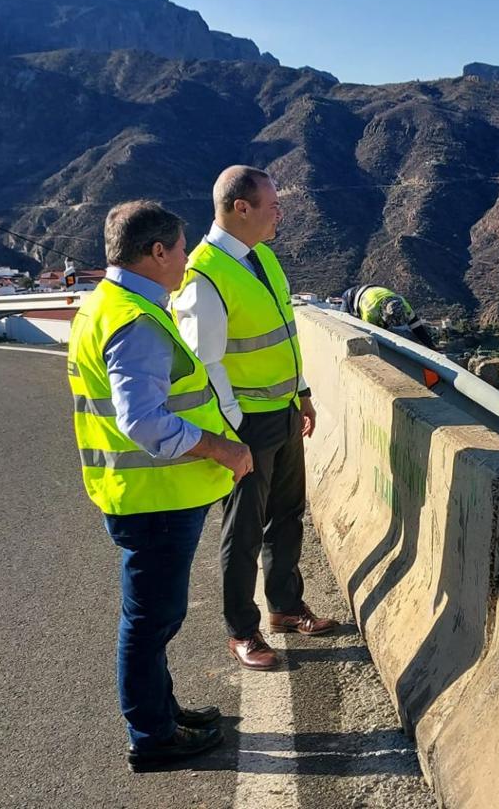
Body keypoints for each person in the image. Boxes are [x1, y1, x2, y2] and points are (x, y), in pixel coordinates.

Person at [67, 200, 253, 771]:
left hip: (143, 496)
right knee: (150, 621)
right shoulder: (135, 321)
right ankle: (152, 736)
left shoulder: (109, 303)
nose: (186, 259)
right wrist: (222, 448)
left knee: (155, 618)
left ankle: (162, 713)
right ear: (156, 252)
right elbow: (145, 422)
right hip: (156, 501)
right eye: (180, 248)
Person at [173, 165, 334, 672]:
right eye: (272, 204)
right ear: (239, 208)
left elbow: (283, 331)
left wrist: (302, 392)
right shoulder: (203, 275)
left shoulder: (262, 257)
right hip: (248, 423)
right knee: (243, 529)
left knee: (288, 514)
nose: (280, 212)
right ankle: (242, 629)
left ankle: (285, 606)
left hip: (283, 409)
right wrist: (234, 427)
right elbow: (207, 364)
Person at [341, 284, 436, 347]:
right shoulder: (370, 312)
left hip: (373, 291)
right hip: (351, 297)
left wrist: (431, 346)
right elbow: (370, 335)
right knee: (346, 331)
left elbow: (417, 327)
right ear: (383, 314)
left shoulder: (404, 305)